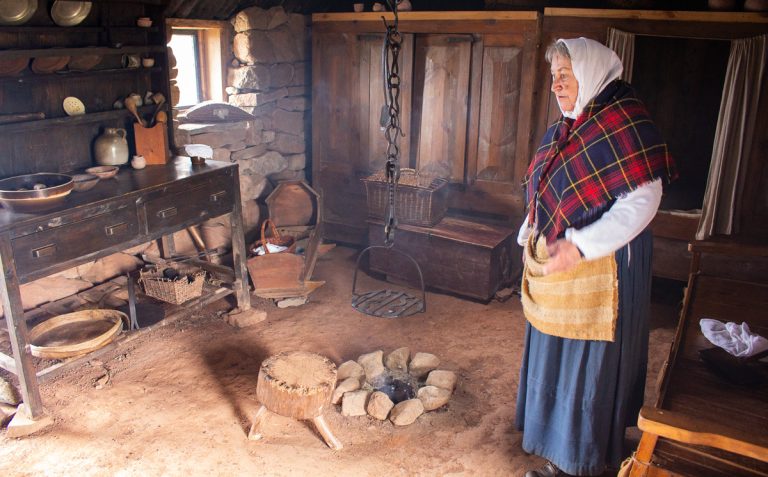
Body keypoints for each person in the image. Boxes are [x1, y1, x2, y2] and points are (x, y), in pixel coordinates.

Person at [515, 37, 677, 477]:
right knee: (554, 349)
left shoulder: (627, 124)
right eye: (554, 77)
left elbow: (642, 202)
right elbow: (545, 188)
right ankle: (549, 440)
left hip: (604, 267)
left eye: (564, 75)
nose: (556, 86)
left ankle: (575, 461)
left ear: (589, 73)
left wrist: (582, 244)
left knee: (585, 363)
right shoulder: (565, 127)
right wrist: (530, 229)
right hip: (561, 263)